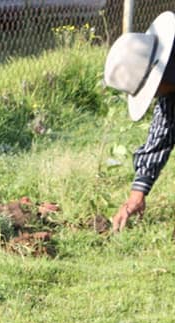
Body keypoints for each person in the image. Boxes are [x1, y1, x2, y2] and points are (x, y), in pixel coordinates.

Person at [104, 11, 175, 233]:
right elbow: (161, 136)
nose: (154, 96)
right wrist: (137, 194)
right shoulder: (170, 95)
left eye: (152, 89)